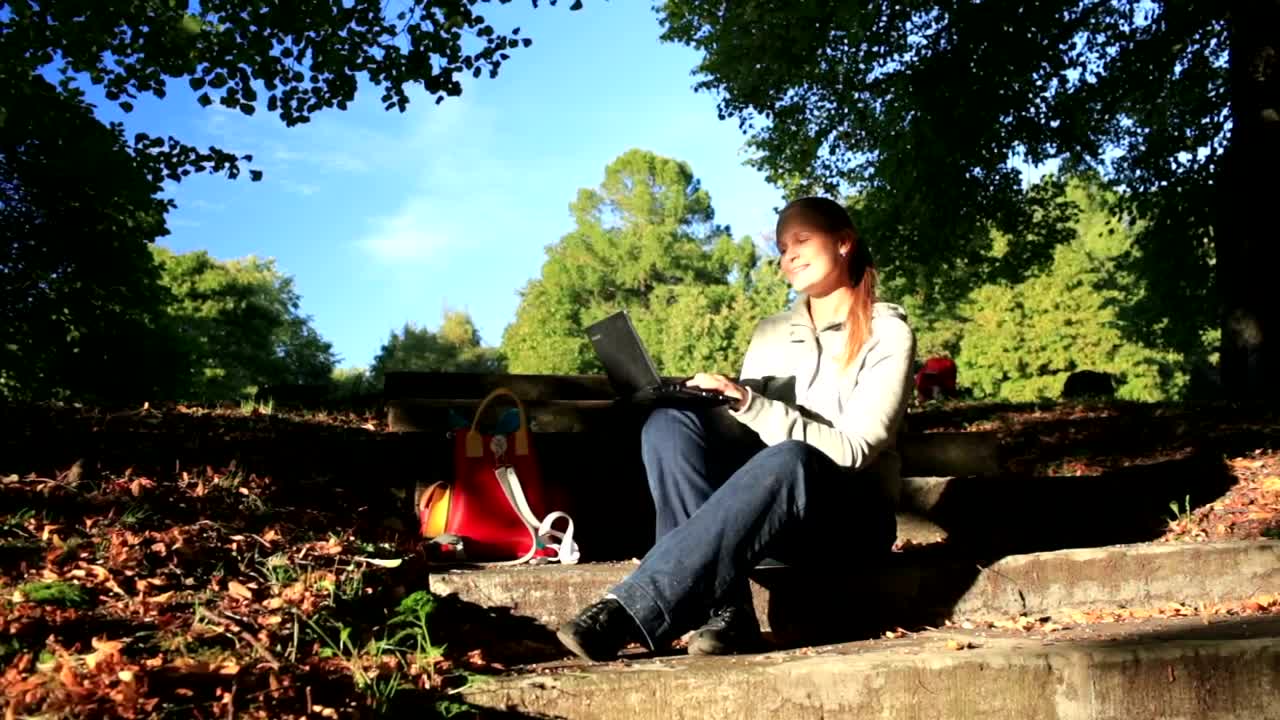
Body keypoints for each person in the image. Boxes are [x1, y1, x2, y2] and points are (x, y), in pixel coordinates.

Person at [556, 196, 916, 662]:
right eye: (783, 248)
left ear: (844, 242)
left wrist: (750, 402)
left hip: (847, 521)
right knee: (669, 426)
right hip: (771, 519)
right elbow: (747, 434)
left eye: (802, 240)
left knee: (791, 457)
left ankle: (630, 609)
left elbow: (853, 451)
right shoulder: (771, 332)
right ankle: (728, 614)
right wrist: (701, 403)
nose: (790, 257)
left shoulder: (887, 333)